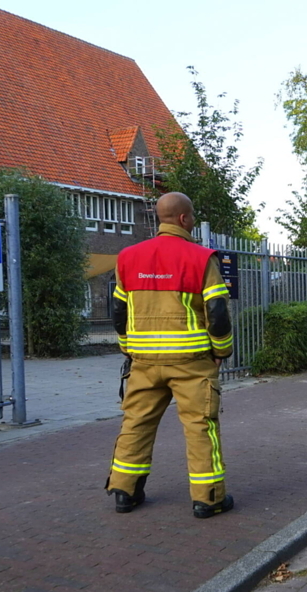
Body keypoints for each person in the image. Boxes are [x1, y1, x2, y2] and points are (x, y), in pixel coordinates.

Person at [105, 192, 235, 518]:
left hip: (144, 362)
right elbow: (217, 312)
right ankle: (208, 499)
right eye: (191, 216)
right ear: (184, 219)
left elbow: (118, 310)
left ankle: (125, 491)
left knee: (136, 423)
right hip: (192, 362)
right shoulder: (201, 258)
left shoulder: (128, 257)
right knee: (200, 427)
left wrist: (127, 346)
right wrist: (221, 350)